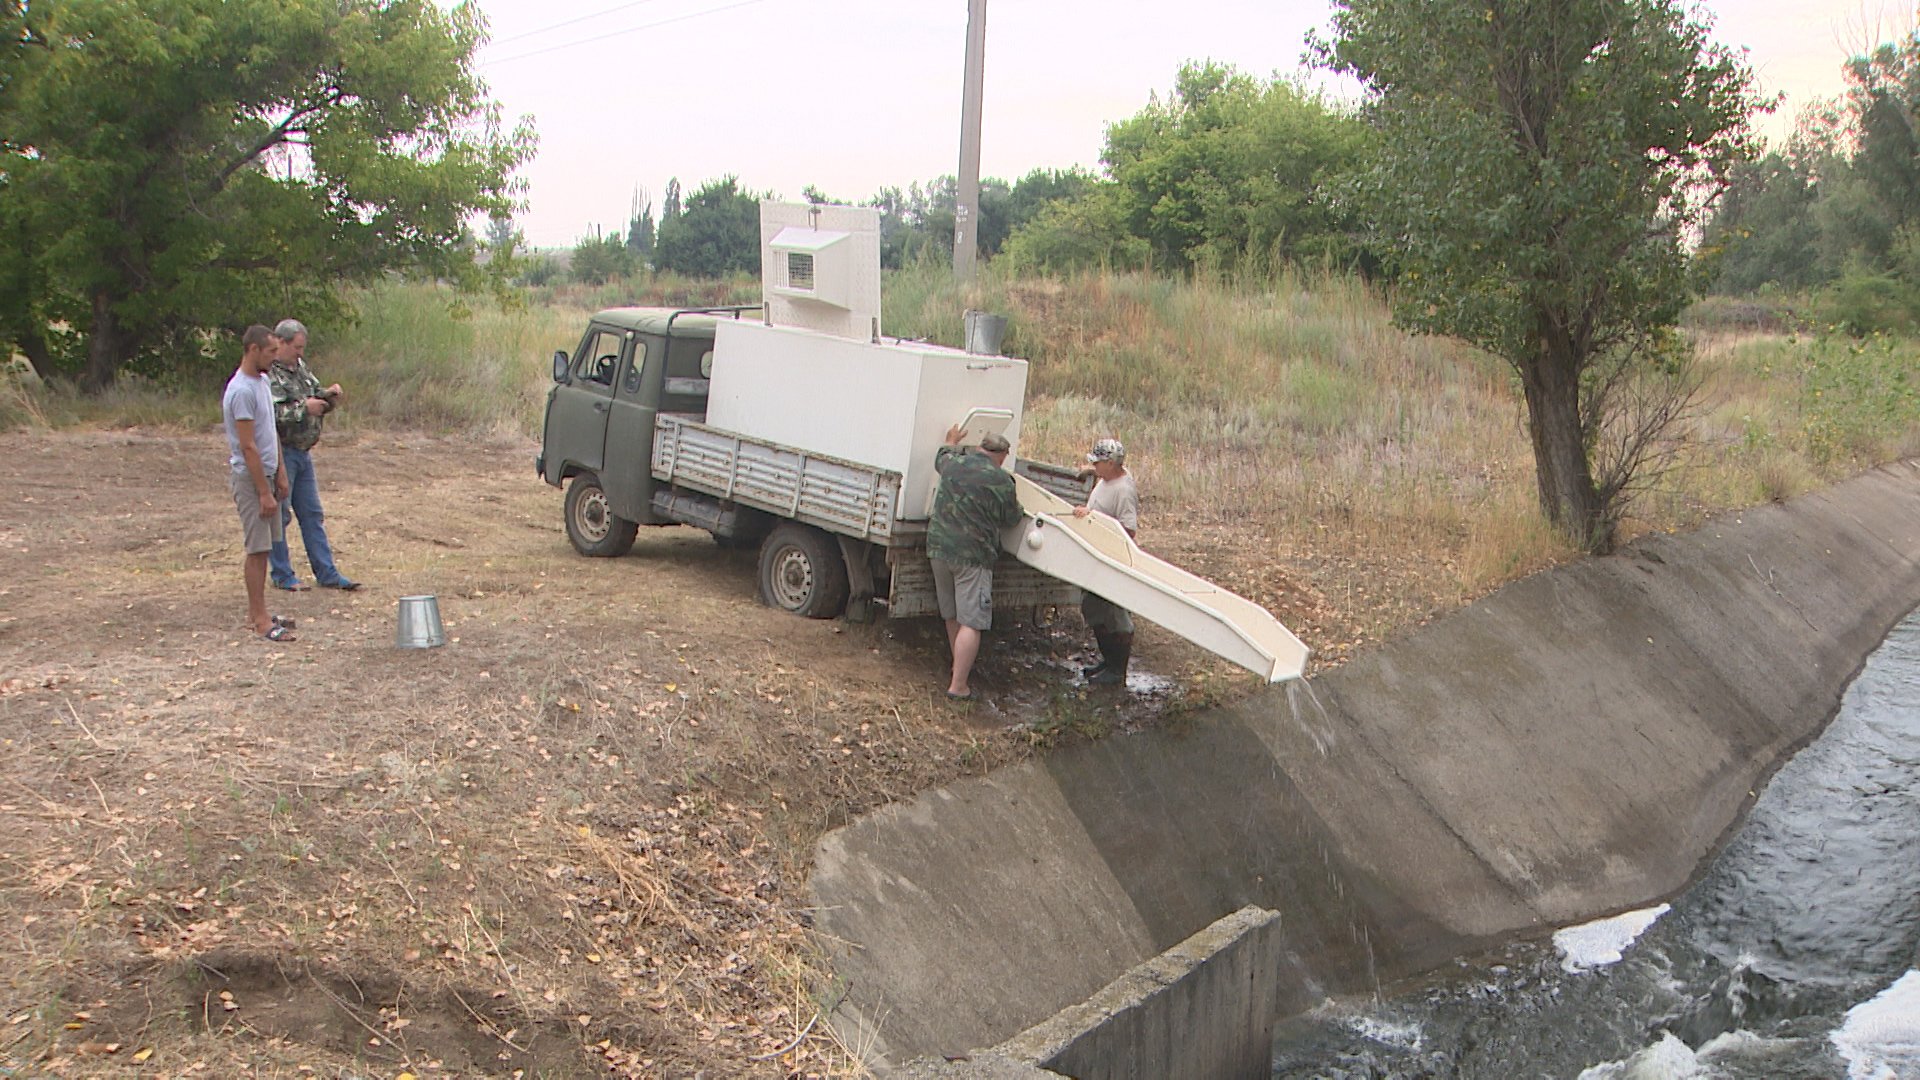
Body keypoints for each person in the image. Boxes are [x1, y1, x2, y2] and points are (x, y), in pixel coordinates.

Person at [927, 425, 1024, 700]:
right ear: (1002, 456)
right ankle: (958, 686)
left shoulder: (953, 463)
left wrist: (951, 441)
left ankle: (957, 667)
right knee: (972, 621)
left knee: (952, 614)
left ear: (980, 448)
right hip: (972, 556)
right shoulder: (1002, 481)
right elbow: (1012, 519)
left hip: (938, 547)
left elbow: (940, 457)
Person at [267, 318, 358, 591]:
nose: (300, 353)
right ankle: (283, 575)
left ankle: (327, 573)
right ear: (280, 343)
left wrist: (328, 396)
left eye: (302, 348)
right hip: (282, 453)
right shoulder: (269, 374)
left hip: (304, 453)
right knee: (279, 516)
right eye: (296, 347)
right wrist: (304, 409)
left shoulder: (299, 369)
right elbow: (271, 414)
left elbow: (313, 394)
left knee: (312, 513)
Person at [224, 325, 296, 642]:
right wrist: (263, 491)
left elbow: (270, 434)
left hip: (268, 472)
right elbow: (248, 445)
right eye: (269, 352)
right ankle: (259, 619)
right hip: (251, 478)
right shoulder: (241, 391)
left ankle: (261, 611)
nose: (274, 357)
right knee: (257, 548)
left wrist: (280, 472)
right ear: (253, 350)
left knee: (267, 547)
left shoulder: (263, 381)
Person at [1073, 437, 1139, 685]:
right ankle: (1108, 661)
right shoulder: (1109, 477)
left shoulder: (1123, 491)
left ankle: (1117, 670)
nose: (1096, 467)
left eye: (1099, 463)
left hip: (1112, 560)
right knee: (1093, 608)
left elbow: (1128, 531)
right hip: (1096, 558)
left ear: (1111, 464)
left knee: (1115, 616)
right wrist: (1093, 471)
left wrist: (1093, 519)